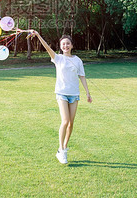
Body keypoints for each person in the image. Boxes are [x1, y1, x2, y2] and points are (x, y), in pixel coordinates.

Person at [29, 30, 92, 164]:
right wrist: (38, 35)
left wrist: (87, 92)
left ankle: (65, 146)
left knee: (71, 123)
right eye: (63, 44)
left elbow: (82, 76)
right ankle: (61, 150)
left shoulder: (78, 60)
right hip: (62, 93)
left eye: (68, 43)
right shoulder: (58, 58)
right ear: (60, 46)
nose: (65, 46)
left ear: (72, 45)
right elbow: (46, 47)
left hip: (74, 94)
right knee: (65, 121)